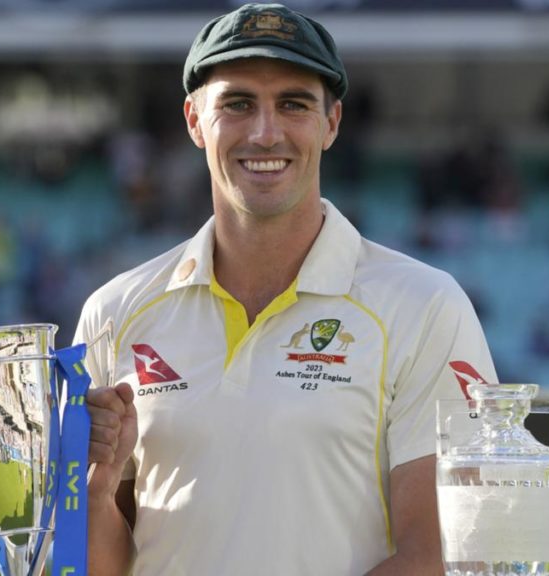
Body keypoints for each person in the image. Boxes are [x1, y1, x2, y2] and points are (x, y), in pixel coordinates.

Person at [79, 4, 497, 575]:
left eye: (294, 104)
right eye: (238, 104)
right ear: (195, 121)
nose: (265, 132)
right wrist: (95, 494)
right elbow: (101, 563)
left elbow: (442, 556)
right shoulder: (115, 311)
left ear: (332, 123)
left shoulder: (425, 306)